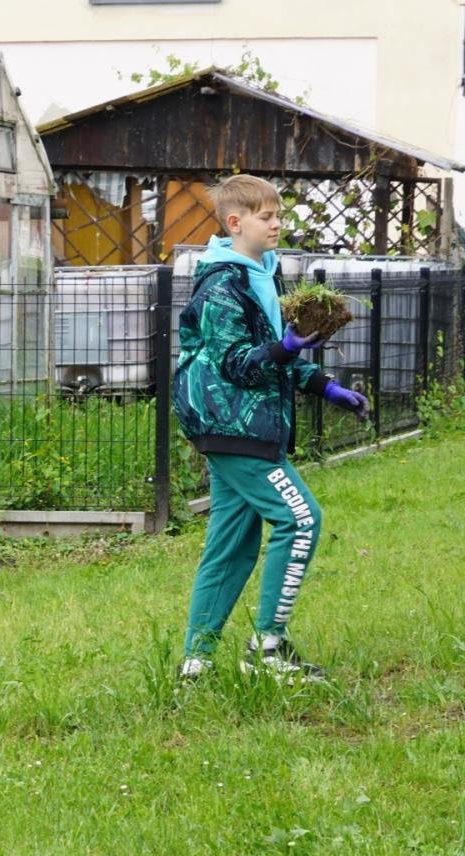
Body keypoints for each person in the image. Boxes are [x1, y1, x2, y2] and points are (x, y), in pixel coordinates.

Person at [173, 174, 368, 682]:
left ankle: (196, 665)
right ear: (236, 222)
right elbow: (239, 363)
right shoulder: (222, 284)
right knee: (301, 520)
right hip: (232, 424)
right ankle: (268, 651)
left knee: (231, 544)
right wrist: (285, 348)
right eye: (267, 216)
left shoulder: (264, 273)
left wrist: (326, 387)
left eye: (279, 214)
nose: (278, 223)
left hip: (248, 426)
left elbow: (279, 353)